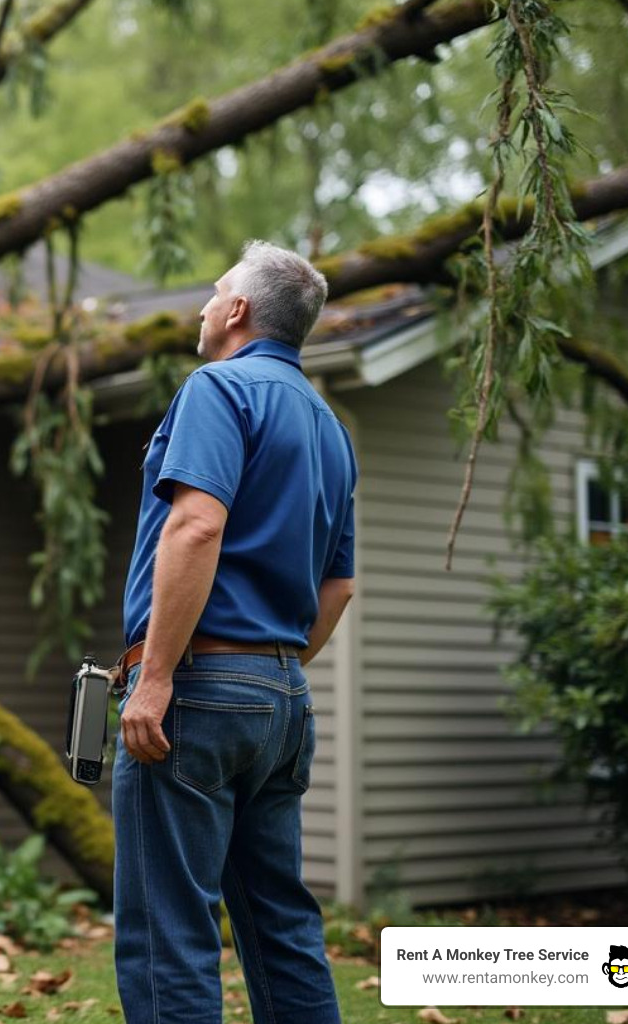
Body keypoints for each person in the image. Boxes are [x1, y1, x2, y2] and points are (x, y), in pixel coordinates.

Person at [112, 239, 356, 1024]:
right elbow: (341, 584)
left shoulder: (217, 389)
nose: (206, 305)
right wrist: (272, 670)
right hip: (284, 697)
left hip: (200, 695)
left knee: (169, 933)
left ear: (240, 310)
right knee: (279, 922)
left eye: (214, 293)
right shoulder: (329, 425)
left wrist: (157, 677)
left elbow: (194, 528)